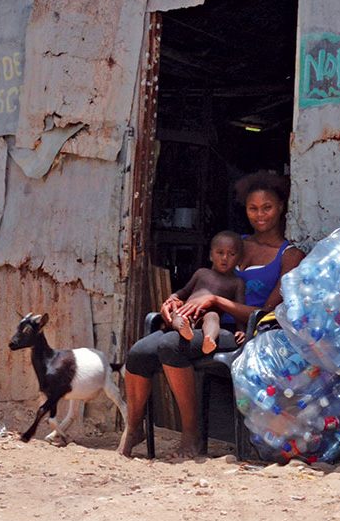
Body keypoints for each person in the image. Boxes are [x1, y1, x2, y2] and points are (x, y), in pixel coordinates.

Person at [118, 170, 305, 459]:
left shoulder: (289, 255)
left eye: (267, 207)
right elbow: (203, 282)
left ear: (281, 207)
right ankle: (134, 427)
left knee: (171, 347)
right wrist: (175, 300)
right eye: (252, 208)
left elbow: (265, 313)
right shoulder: (233, 244)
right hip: (200, 324)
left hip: (245, 331)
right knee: (140, 352)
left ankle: (191, 435)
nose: (260, 215)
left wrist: (215, 301)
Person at [169, 230, 245, 355]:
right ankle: (183, 329)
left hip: (209, 313)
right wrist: (174, 296)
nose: (224, 258)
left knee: (213, 318)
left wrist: (241, 330)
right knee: (177, 314)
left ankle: (209, 339)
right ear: (210, 255)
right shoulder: (202, 273)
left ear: (239, 259)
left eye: (231, 254)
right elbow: (185, 291)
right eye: (220, 253)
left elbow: (238, 308)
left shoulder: (236, 282)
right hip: (188, 310)